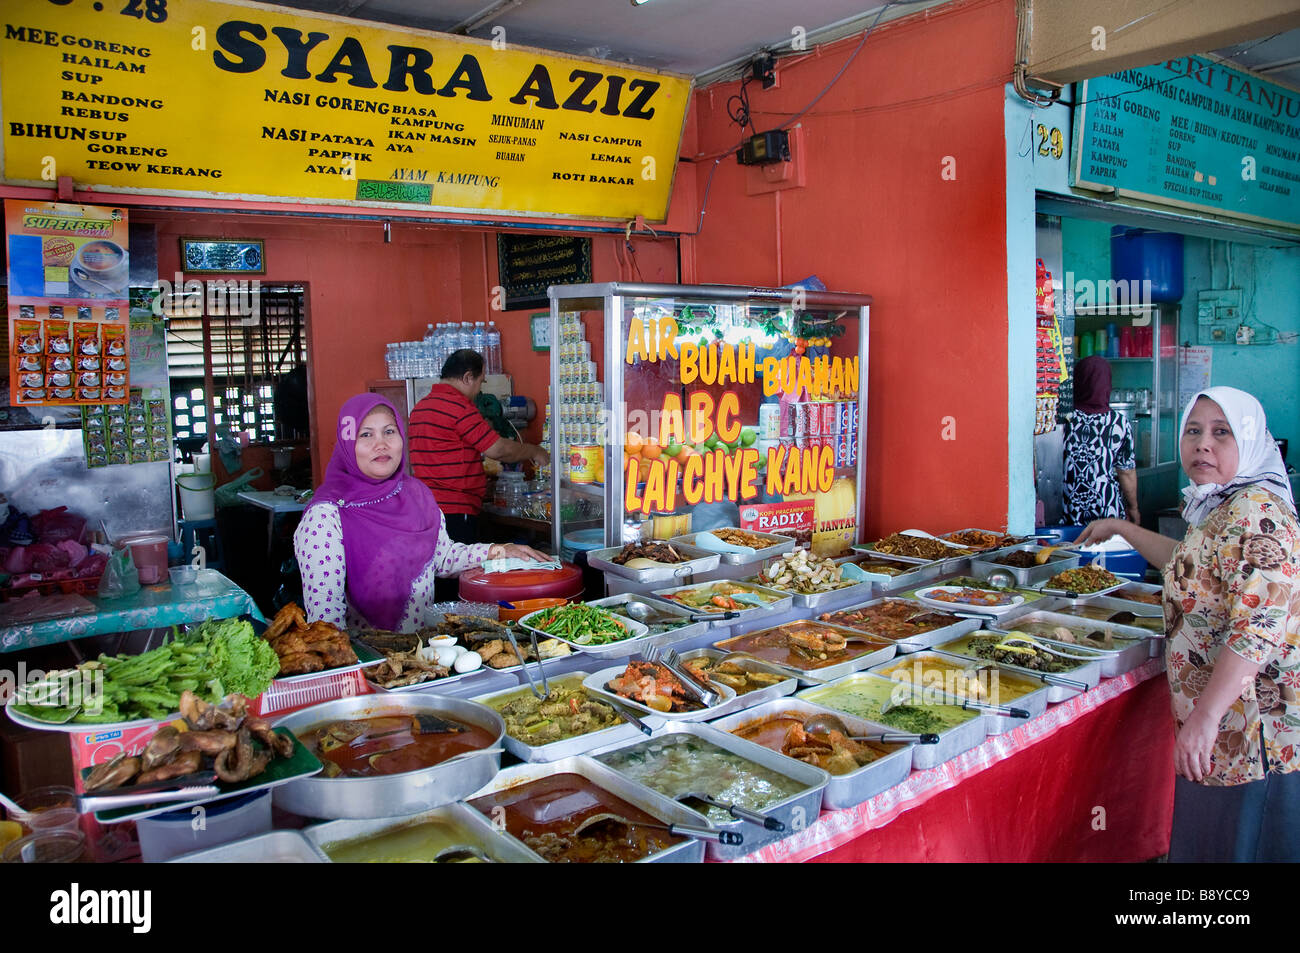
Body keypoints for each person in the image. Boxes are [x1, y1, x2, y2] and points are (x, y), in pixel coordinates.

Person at [1076, 386, 1299, 861]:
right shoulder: (1221, 504)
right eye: (1194, 431)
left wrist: (1205, 717)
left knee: (1240, 844)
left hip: (1251, 730)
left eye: (1222, 433)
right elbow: (1190, 566)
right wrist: (1123, 529)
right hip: (1220, 723)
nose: (1203, 444)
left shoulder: (1257, 514)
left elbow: (1258, 628)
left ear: (1252, 442)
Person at [294, 393, 547, 631]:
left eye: (389, 432)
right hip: (366, 664)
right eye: (366, 435)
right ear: (348, 443)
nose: (381, 444)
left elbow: (443, 558)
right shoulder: (327, 516)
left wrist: (499, 551)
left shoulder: (415, 495)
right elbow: (326, 625)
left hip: (421, 657)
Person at [408, 349, 549, 546]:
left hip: (425, 507)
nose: (479, 390)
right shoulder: (459, 406)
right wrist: (535, 451)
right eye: (481, 381)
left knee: (439, 570)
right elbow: (498, 449)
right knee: (458, 572)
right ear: (467, 377)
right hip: (454, 510)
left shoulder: (420, 408)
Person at [1062, 355, 1139, 525]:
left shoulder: (1064, 419)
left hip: (1066, 506)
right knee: (1105, 550)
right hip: (1106, 506)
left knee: (1066, 551)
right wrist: (1133, 508)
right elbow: (1126, 471)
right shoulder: (1118, 423)